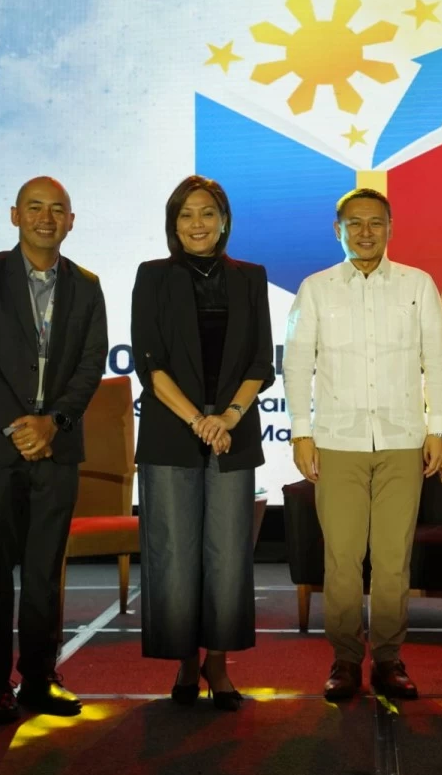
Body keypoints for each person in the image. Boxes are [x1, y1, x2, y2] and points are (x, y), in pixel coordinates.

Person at [0, 176, 108, 725]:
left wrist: (53, 423)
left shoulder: (87, 285)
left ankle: (40, 678)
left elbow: (92, 364)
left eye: (57, 209)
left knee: (44, 572)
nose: (46, 217)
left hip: (56, 445)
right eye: (35, 208)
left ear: (70, 220)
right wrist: (19, 424)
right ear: (14, 215)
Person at [283, 188, 442, 701]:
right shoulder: (315, 289)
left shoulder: (416, 285)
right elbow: (296, 363)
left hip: (403, 438)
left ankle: (388, 658)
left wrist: (438, 429)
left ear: (390, 227)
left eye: (374, 223)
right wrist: (301, 431)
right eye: (353, 223)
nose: (364, 232)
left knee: (393, 558)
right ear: (337, 230)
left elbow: (437, 361)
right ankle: (344, 659)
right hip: (337, 440)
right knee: (342, 557)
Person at [130, 175, 275, 711]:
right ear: (173, 223)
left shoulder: (250, 277)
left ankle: (218, 662)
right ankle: (186, 661)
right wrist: (199, 420)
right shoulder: (152, 277)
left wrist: (229, 415)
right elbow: (150, 363)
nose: (198, 223)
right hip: (173, 432)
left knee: (228, 553)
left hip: (233, 433)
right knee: (174, 554)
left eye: (208, 213)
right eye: (187, 214)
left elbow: (262, 360)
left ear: (224, 220)